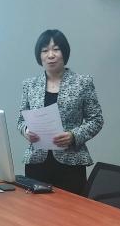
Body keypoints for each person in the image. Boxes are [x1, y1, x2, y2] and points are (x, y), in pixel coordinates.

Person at [18, 29, 104, 194]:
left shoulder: (82, 83)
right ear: (39, 56)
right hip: (37, 163)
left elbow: (96, 120)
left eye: (56, 49)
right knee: (36, 210)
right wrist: (26, 131)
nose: (50, 55)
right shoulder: (30, 85)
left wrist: (73, 135)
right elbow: (21, 120)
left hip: (70, 164)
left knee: (70, 210)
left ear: (64, 52)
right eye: (45, 50)